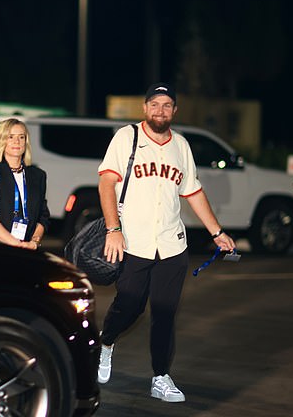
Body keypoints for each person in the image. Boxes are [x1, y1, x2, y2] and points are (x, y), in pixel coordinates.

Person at [96, 82, 236, 402]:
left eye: (167, 105)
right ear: (145, 108)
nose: (161, 110)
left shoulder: (181, 146)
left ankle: (160, 376)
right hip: (133, 240)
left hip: (172, 244)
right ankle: (106, 343)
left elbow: (193, 191)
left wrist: (217, 232)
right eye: (155, 104)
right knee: (129, 306)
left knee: (164, 312)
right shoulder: (126, 137)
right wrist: (112, 228)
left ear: (174, 110)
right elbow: (106, 184)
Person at [0, 118, 49, 250]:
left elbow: (43, 216)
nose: (17, 141)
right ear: (1, 140)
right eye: (10, 137)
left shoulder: (38, 176)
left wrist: (33, 242)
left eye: (21, 137)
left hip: (27, 249)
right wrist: (14, 243)